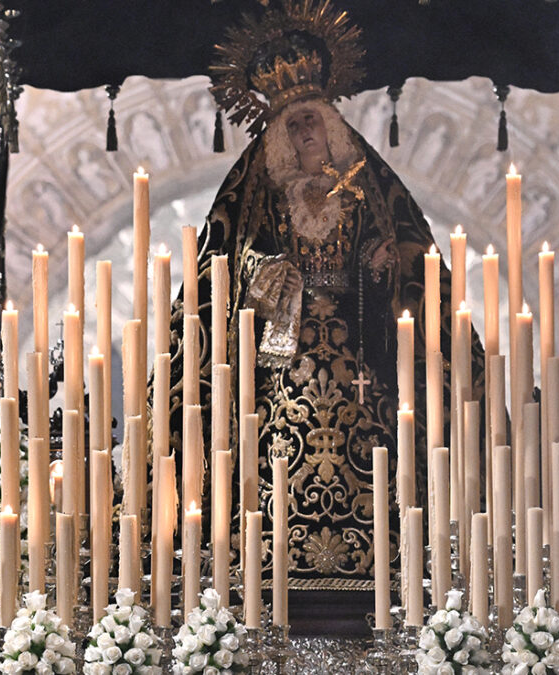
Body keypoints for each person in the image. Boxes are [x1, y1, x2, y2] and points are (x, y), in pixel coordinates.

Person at [164, 0, 485, 633]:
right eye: (296, 129)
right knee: (273, 443)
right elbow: (225, 266)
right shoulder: (264, 196)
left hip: (358, 353)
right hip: (285, 360)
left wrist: (384, 263)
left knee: (376, 436)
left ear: (332, 129)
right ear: (280, 137)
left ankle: (386, 549)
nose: (307, 138)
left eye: (315, 126)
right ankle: (268, 547)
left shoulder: (363, 193)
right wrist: (267, 272)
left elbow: (404, 267)